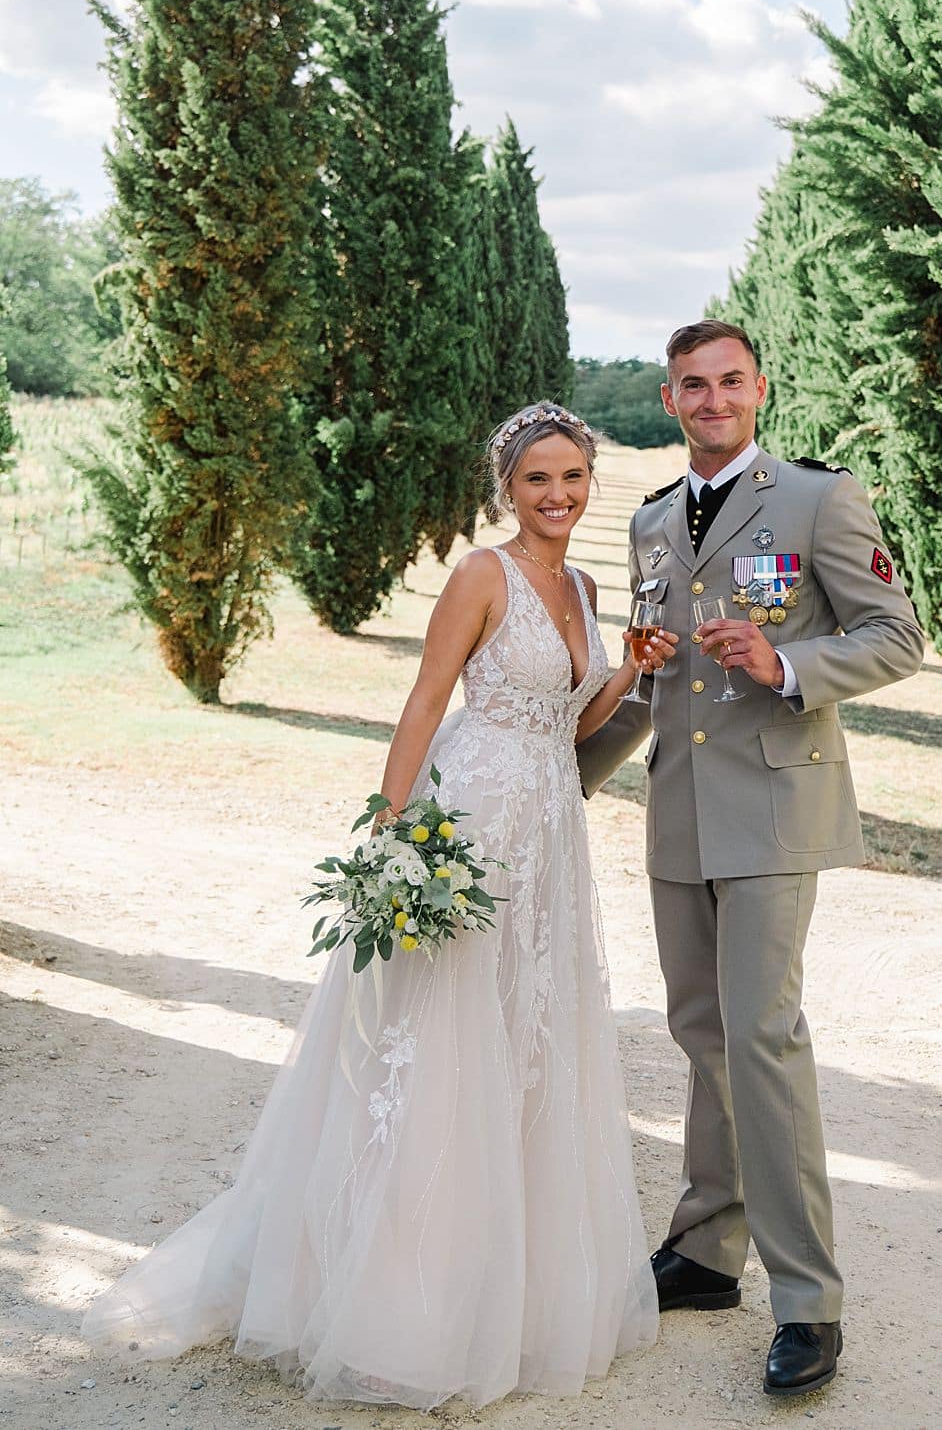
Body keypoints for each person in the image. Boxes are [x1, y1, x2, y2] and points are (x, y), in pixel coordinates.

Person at [82, 403, 675, 1410]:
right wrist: (395, 836)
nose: (557, 495)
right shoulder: (481, 575)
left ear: (589, 481)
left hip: (547, 839)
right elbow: (424, 699)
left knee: (523, 1041)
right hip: (468, 824)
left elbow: (572, 716)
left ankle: (506, 1290)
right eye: (537, 479)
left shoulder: (578, 582)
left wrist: (629, 670)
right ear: (506, 487)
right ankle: (392, 1300)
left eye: (572, 477)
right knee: (436, 1047)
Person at [577, 320, 925, 1400]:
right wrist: (565, 776)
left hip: (773, 813)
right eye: (693, 384)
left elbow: (896, 635)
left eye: (730, 380)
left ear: (758, 389)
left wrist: (785, 659)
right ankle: (704, 1246)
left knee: (761, 1041)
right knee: (700, 1032)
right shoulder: (644, 523)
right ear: (670, 398)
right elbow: (648, 681)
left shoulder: (819, 499)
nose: (713, 398)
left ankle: (808, 1298)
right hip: (677, 816)